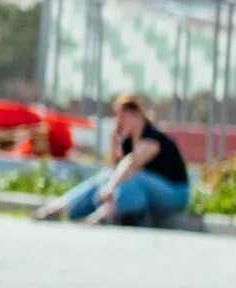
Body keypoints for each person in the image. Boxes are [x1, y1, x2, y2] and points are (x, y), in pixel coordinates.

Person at [43, 92, 192, 225]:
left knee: (136, 178)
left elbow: (132, 164)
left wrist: (111, 188)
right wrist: (114, 142)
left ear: (137, 114)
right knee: (105, 177)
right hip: (144, 194)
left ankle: (102, 216)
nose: (119, 121)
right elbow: (113, 169)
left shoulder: (153, 138)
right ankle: (59, 208)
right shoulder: (128, 142)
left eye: (123, 115)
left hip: (175, 194)